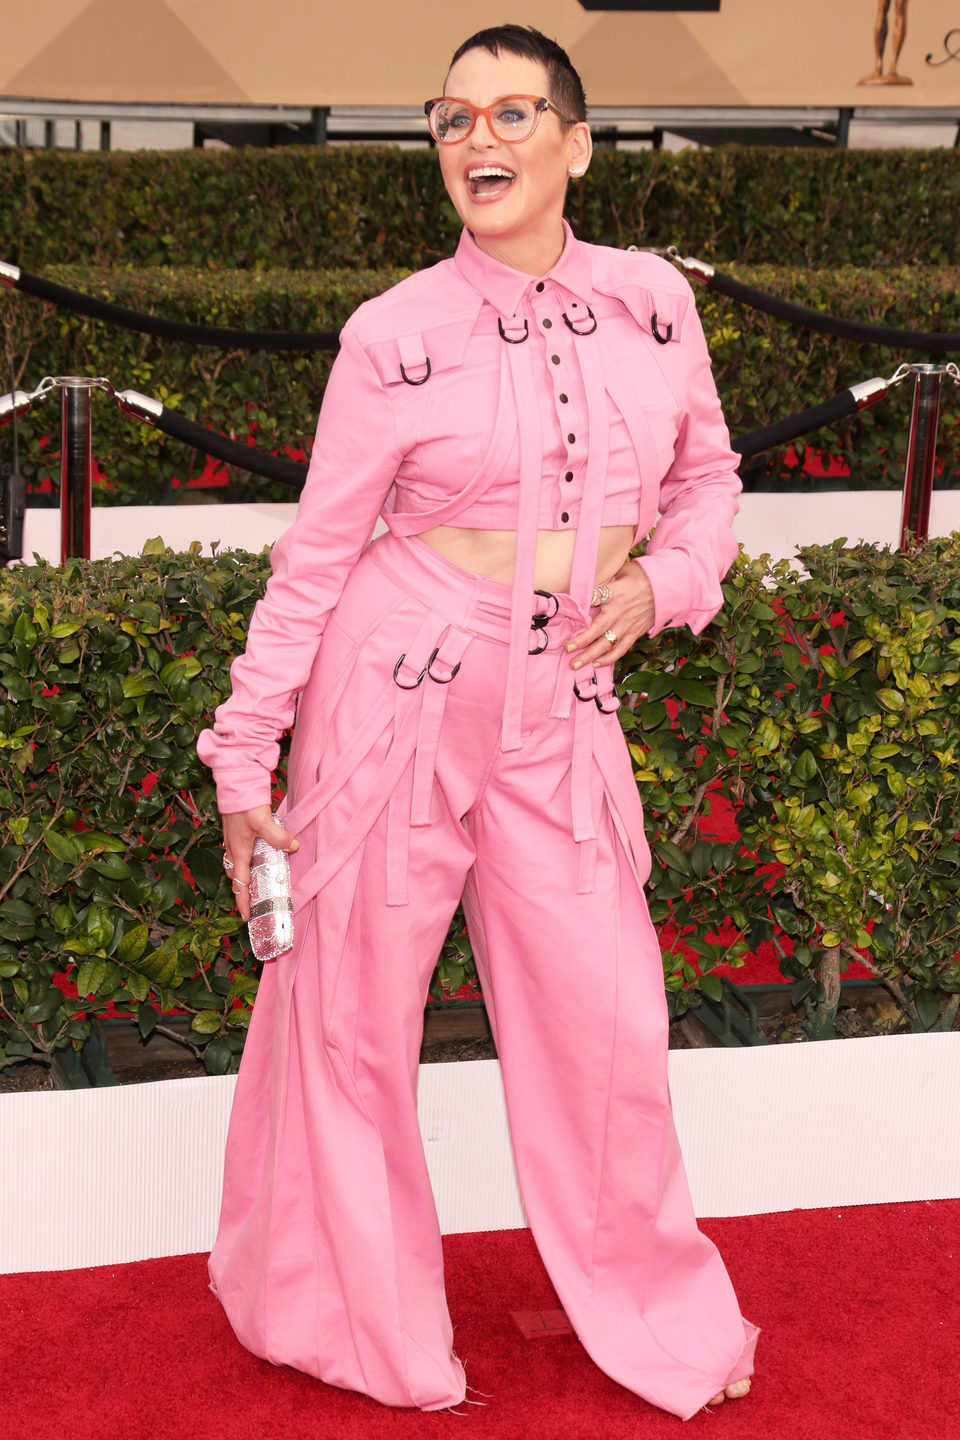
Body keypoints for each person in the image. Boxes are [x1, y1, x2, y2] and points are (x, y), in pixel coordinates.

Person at [197, 23, 758, 1421]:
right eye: (453, 119)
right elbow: (317, 556)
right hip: (393, 698)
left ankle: (655, 1315)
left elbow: (709, 480)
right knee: (350, 1022)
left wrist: (667, 583)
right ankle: (350, 1322)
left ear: (576, 143)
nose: (480, 141)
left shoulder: (652, 303)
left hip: (564, 699)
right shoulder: (391, 332)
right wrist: (241, 754)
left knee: (605, 1019)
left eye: (514, 113)